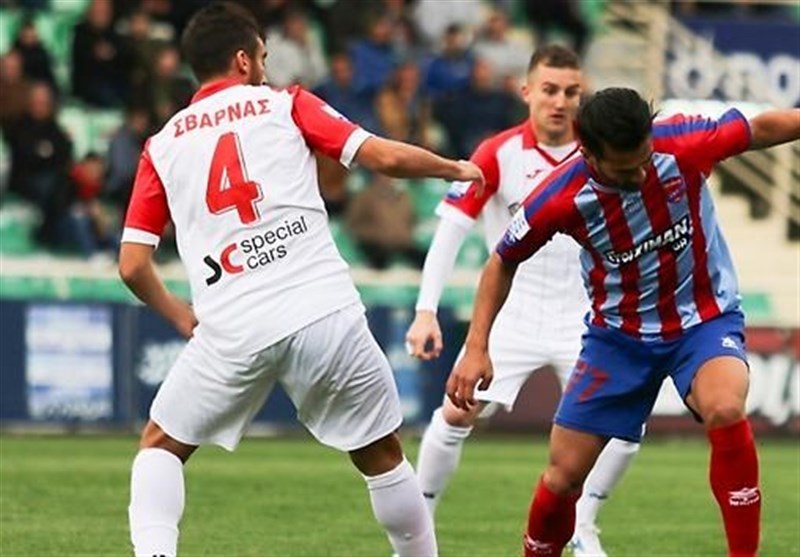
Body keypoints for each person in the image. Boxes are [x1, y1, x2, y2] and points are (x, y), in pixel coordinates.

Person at [118, 3, 483, 557]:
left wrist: (179, 315)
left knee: (160, 447)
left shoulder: (162, 145)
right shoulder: (286, 104)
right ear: (243, 60)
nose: (265, 67)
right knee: (382, 456)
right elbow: (380, 156)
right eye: (262, 56)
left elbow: (131, 264)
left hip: (232, 324)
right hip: (321, 311)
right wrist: (453, 168)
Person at [446, 87, 800, 557]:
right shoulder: (558, 196)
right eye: (625, 169)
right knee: (563, 476)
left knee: (725, 408)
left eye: (644, 160)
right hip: (618, 339)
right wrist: (476, 347)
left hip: (702, 320)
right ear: (589, 153)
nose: (641, 174)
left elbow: (760, 128)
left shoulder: (682, 142)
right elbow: (501, 261)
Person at [405, 45, 638, 557]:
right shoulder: (498, 152)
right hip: (511, 315)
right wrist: (425, 311)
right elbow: (451, 231)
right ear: (527, 91)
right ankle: (418, 526)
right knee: (456, 413)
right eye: (549, 90)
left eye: (571, 92)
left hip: (585, 319)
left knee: (624, 426)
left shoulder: (601, 153)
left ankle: (583, 526)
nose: (560, 102)